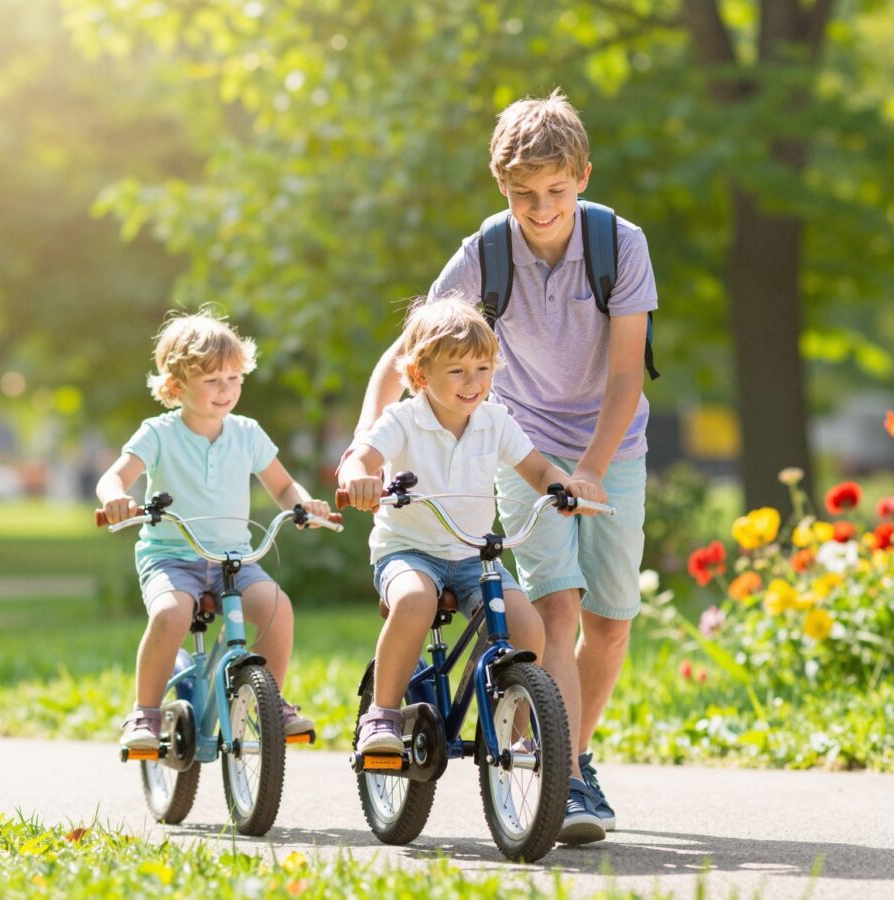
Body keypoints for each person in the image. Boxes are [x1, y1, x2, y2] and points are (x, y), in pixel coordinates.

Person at [346, 89, 657, 844]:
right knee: (554, 605)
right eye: (523, 194)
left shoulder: (621, 245)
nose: (541, 208)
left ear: (582, 175)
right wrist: (362, 446)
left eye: (555, 190)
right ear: (502, 186)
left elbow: (625, 378)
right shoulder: (486, 250)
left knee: (610, 625)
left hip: (609, 446)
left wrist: (587, 470)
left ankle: (571, 751)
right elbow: (406, 353)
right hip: (516, 441)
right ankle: (563, 777)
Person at [339, 299, 604, 837]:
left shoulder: (494, 420)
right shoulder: (403, 420)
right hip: (408, 551)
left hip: (472, 553)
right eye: (457, 370)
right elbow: (363, 457)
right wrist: (359, 477)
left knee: (528, 625)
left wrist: (562, 485)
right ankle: (384, 715)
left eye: (482, 369)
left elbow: (534, 466)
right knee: (414, 602)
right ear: (420, 374)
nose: (472, 381)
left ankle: (514, 723)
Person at [97, 309, 334, 750]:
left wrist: (303, 505)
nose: (226, 390)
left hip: (234, 559)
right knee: (171, 614)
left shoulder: (247, 433)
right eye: (212, 381)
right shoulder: (159, 433)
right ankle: (145, 713)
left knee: (277, 607)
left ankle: (271, 703)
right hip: (172, 556)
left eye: (233, 378)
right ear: (175, 386)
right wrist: (115, 497)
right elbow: (114, 476)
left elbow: (282, 485)